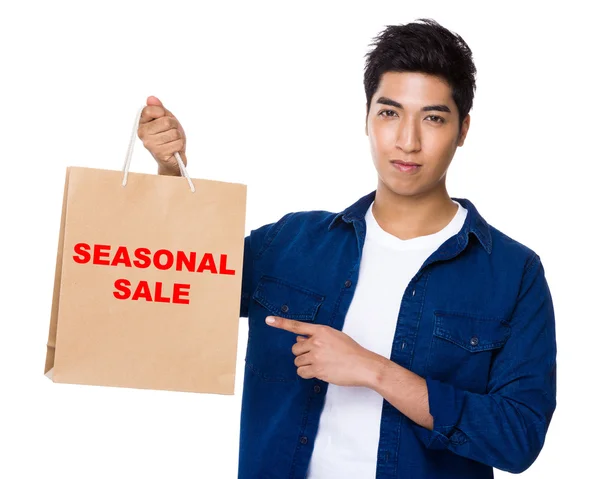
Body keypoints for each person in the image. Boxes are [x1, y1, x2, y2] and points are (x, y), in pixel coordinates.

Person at [138, 18, 556, 479]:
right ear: (367, 117)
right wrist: (170, 171)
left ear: (463, 129)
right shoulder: (290, 244)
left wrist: (374, 370)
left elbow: (518, 439)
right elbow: (179, 289)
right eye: (389, 112)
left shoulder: (513, 273)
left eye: (433, 118)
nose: (407, 141)